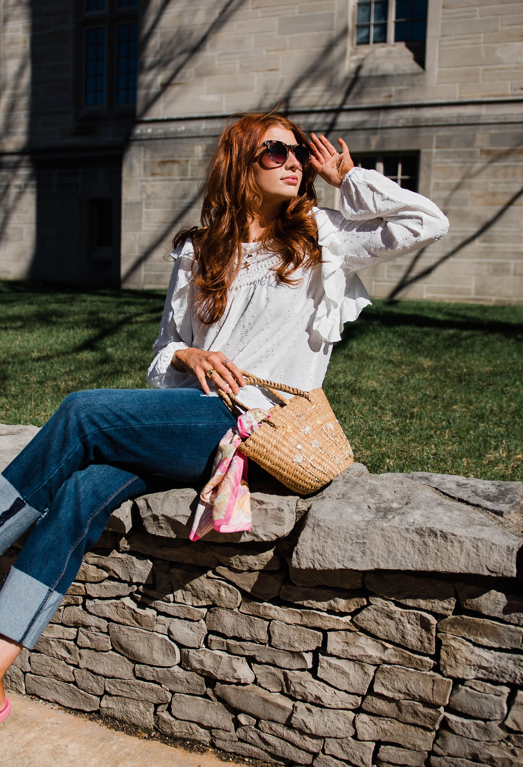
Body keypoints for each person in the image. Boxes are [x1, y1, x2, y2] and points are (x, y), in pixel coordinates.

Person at [0, 110, 449, 719]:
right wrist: (188, 352)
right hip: (186, 419)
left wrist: (348, 178)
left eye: (297, 152)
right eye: (275, 152)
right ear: (240, 162)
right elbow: (162, 359)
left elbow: (428, 221)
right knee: (83, 490)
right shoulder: (197, 250)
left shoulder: (324, 235)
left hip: (252, 430)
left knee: (82, 412)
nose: (294, 161)